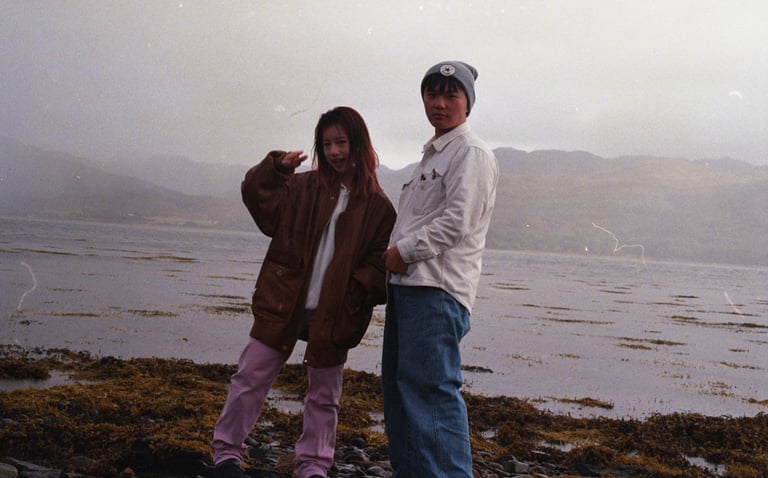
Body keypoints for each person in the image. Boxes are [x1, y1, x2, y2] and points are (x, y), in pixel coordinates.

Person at [211, 106, 396, 478]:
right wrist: (275, 169)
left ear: (359, 144)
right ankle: (227, 452)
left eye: (341, 142)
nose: (334, 152)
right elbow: (258, 199)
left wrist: (355, 291)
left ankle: (313, 465)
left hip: (335, 312)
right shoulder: (300, 187)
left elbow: (380, 265)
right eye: (326, 144)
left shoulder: (379, 208)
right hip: (284, 300)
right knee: (250, 377)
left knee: (325, 395)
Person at [381, 61, 499, 477]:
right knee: (402, 394)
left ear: (468, 102)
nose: (440, 103)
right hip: (409, 287)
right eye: (432, 94)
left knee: (431, 393)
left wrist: (403, 252)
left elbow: (456, 221)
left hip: (437, 291)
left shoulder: (471, 153)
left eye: (451, 95)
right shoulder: (432, 155)